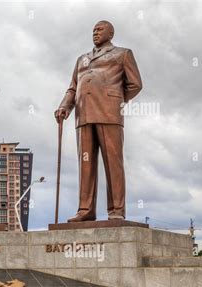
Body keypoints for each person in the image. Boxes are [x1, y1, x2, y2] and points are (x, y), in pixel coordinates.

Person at [55, 20, 142, 222]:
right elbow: (72, 88)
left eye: (100, 29)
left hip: (109, 114)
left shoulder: (123, 54)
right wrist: (64, 107)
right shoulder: (81, 59)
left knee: (113, 162)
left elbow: (135, 84)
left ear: (110, 33)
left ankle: (116, 210)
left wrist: (114, 100)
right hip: (84, 115)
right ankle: (85, 209)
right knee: (85, 163)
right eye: (93, 30)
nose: (95, 32)